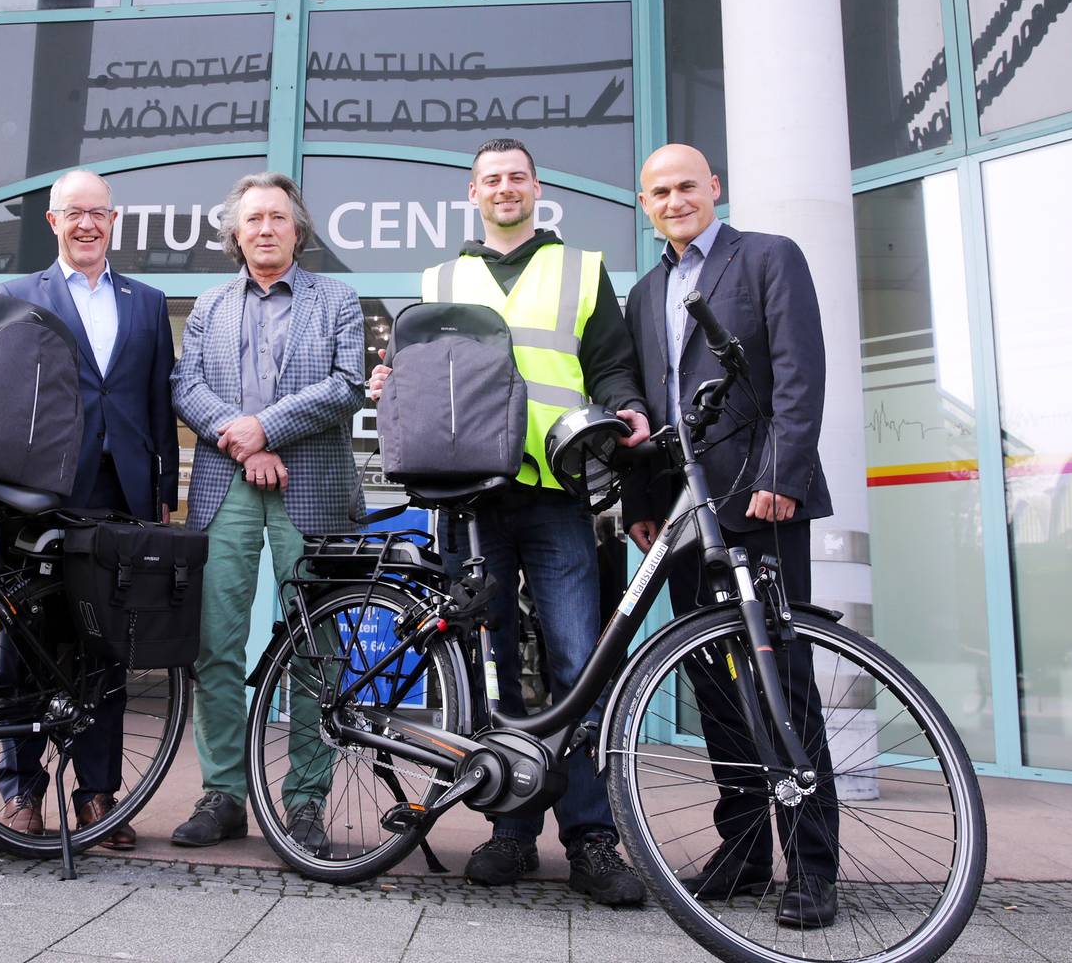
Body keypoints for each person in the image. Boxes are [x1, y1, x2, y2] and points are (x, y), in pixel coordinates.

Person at [366, 137, 653, 907]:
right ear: (473, 193)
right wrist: (392, 381)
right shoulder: (437, 279)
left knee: (573, 662)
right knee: (499, 668)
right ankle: (513, 832)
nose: (504, 188)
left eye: (516, 177)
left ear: (535, 189)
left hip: (556, 490)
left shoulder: (580, 269)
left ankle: (592, 840)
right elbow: (419, 378)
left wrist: (627, 407)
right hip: (469, 496)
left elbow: (613, 364)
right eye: (491, 179)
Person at [622, 142, 841, 930]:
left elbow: (798, 371)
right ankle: (745, 849)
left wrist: (784, 470)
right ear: (644, 204)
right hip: (687, 515)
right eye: (659, 192)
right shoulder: (648, 290)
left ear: (714, 187)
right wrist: (644, 500)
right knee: (714, 682)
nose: (674, 200)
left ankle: (812, 867)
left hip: (763, 501)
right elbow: (657, 407)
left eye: (686, 185)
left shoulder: (768, 258)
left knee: (783, 684)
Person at [168, 172, 365, 852]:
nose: (264, 229)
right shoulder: (209, 304)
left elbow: (346, 386)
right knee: (214, 645)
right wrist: (240, 436)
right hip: (227, 487)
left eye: (277, 217)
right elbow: (184, 385)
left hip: (310, 489)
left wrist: (265, 430)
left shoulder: (336, 299)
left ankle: (306, 800)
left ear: (298, 229)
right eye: (252, 219)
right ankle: (223, 793)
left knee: (316, 649)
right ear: (235, 232)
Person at [0, 169, 178, 848]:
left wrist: (165, 489)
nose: (86, 224)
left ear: (114, 220)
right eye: (74, 213)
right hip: (39, 495)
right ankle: (20, 793)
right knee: (26, 647)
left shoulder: (148, 302)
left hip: (121, 496)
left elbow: (157, 402)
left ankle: (100, 796)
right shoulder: (15, 296)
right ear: (53, 222)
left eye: (97, 213)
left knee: (106, 648)